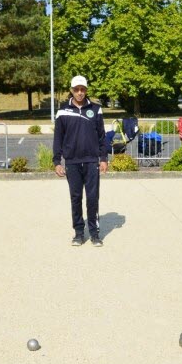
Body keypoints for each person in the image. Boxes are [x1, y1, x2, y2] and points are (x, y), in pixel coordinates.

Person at [53, 75, 108, 247]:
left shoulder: (96, 109)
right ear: (71, 90)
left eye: (82, 89)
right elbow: (58, 138)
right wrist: (57, 161)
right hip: (72, 162)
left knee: (92, 198)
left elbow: (102, 137)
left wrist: (104, 158)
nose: (79, 92)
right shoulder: (62, 110)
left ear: (86, 90)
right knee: (75, 198)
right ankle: (78, 233)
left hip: (92, 161)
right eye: (76, 89)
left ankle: (94, 233)